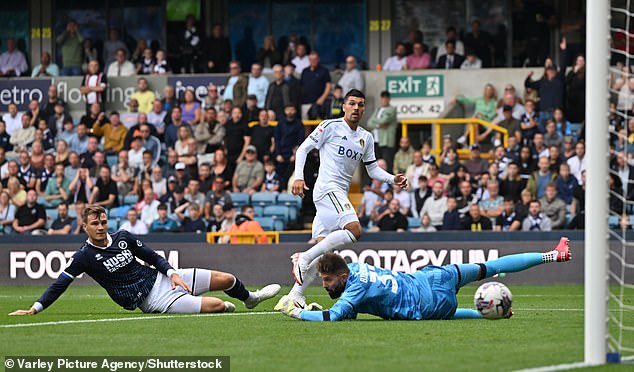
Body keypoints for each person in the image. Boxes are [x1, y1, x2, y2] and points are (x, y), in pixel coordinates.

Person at [10, 205, 281, 316]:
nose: (101, 226)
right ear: (85, 227)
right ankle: (225, 309)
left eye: (103, 221)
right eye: (95, 223)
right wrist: (35, 308)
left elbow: (151, 257)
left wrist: (173, 273)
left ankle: (251, 299)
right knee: (218, 304)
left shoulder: (124, 237)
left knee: (228, 279)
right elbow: (60, 283)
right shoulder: (84, 257)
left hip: (163, 279)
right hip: (151, 299)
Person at [284, 89, 408, 308]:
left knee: (324, 254)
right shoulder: (329, 126)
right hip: (326, 189)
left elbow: (372, 170)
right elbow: (303, 149)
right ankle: (302, 259)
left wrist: (392, 179)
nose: (356, 108)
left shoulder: (366, 137)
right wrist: (299, 177)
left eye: (360, 104)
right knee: (354, 230)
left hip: (338, 193)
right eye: (352, 103)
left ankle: (295, 295)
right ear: (344, 106)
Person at [276, 240, 571, 321]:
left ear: (342, 278)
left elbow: (334, 317)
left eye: (327, 281)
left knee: (445, 313)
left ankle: (492, 314)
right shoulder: (353, 267)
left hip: (427, 301)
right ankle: (552, 255)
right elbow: (349, 301)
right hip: (432, 275)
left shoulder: (354, 289)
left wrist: (297, 311)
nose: (325, 285)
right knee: (489, 266)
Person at [366, 91, 398, 171]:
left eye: (386, 99)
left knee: (387, 163)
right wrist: (378, 125)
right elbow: (369, 123)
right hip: (377, 140)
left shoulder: (391, 109)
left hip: (386, 141)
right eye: (383, 99)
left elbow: (384, 120)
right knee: (376, 163)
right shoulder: (378, 110)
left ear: (389, 99)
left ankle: (389, 182)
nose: (384, 100)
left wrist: (376, 122)